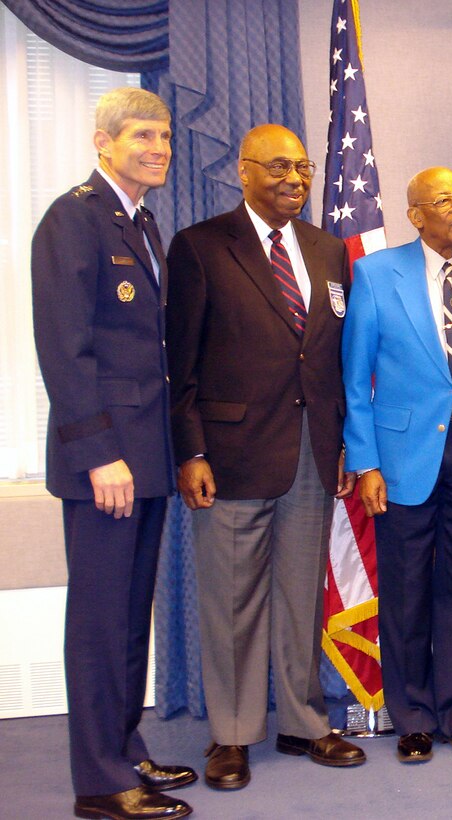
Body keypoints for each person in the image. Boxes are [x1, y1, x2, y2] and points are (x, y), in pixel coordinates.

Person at [165, 124, 364, 789]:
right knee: (232, 601)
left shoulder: (328, 249)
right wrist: (189, 448)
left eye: (303, 167)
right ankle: (232, 733)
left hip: (310, 451)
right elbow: (181, 363)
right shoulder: (200, 245)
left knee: (300, 597)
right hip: (229, 453)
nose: (294, 179)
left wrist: (339, 444)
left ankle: (304, 721)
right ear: (243, 172)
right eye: (278, 166)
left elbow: (329, 359)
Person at [31, 87, 196, 820]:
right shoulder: (73, 218)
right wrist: (99, 453)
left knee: (131, 615)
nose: (158, 148)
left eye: (163, 136)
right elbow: (65, 351)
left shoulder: (142, 222)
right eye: (142, 136)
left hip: (146, 456)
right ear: (103, 143)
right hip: (107, 463)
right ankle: (100, 783)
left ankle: (123, 748)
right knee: (100, 622)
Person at [342, 167, 452, 763]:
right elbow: (353, 379)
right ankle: (413, 715)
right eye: (443, 200)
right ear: (415, 214)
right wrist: (365, 462)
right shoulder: (374, 274)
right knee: (408, 591)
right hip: (401, 461)